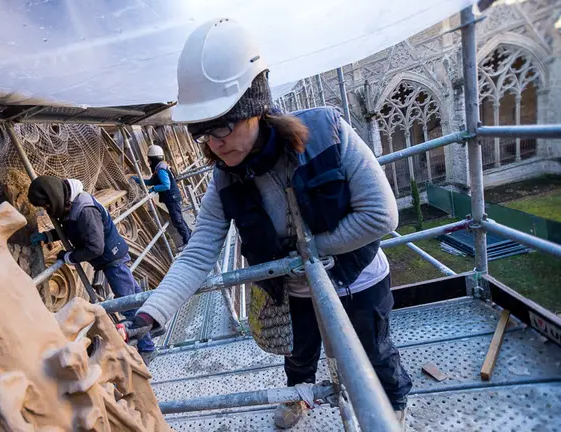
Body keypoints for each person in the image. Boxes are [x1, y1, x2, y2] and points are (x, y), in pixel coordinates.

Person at [120, 18, 412, 429]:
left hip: (358, 278)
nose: (215, 144)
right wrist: (148, 316)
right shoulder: (225, 180)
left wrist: (309, 253)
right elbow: (199, 251)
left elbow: (381, 215)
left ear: (254, 106)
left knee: (374, 349)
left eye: (223, 126)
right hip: (295, 292)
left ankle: (393, 402)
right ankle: (301, 397)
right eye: (203, 134)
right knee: (299, 354)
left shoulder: (328, 134)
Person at [27, 176, 156, 364]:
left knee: (128, 305)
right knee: (135, 296)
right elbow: (72, 230)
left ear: (54, 197)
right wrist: (47, 236)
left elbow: (95, 247)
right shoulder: (70, 203)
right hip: (111, 259)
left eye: (46, 205)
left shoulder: (85, 210)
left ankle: (148, 349)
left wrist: (69, 257)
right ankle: (152, 328)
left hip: (112, 261)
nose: (46, 210)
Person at [132, 145, 192, 246]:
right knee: (179, 218)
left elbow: (166, 185)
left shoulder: (161, 169)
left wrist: (153, 189)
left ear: (153, 159)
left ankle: (188, 240)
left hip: (172, 198)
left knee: (177, 220)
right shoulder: (161, 167)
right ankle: (189, 236)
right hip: (172, 197)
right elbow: (151, 181)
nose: (149, 163)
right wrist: (138, 180)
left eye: (149, 160)